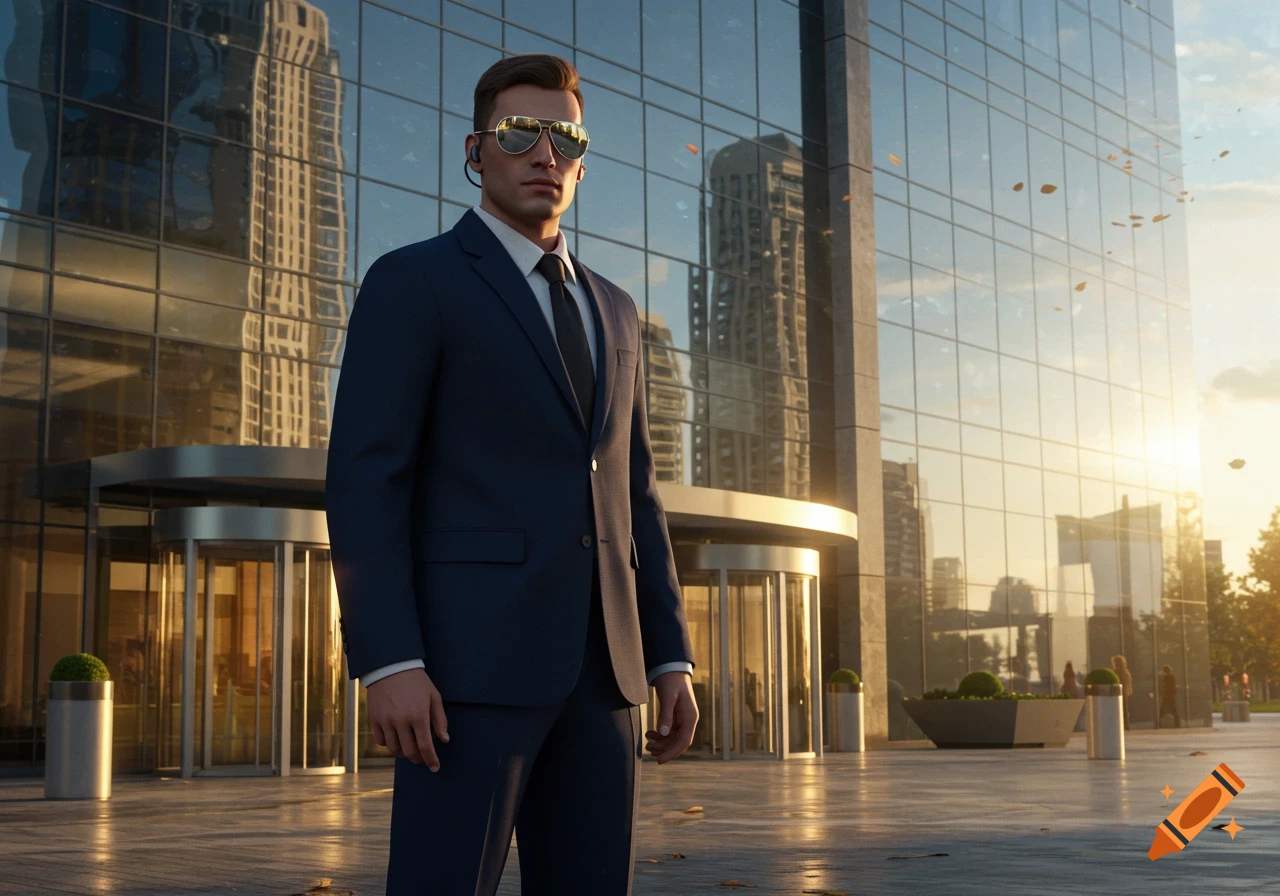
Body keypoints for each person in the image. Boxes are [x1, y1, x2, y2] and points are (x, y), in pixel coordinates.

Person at [325, 54, 699, 894]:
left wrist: (668, 652)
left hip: (606, 677)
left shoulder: (617, 309)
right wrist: (388, 661)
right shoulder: (414, 281)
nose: (544, 152)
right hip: (465, 676)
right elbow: (364, 480)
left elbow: (635, 493)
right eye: (519, 131)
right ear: (476, 150)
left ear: (580, 158)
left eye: (564, 135)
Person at [1112, 654, 1133, 730]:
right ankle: (1126, 725)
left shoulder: (1116, 672)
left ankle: (1122, 725)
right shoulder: (1125, 671)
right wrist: (1129, 690)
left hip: (1118, 692)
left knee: (1119, 709)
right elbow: (1128, 682)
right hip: (1124, 692)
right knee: (1124, 709)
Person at [1159, 664, 1181, 728]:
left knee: (1165, 708)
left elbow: (1167, 687)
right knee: (1172, 709)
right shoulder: (1171, 677)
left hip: (1168, 695)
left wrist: (1165, 693)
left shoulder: (1168, 677)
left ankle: (1159, 720)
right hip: (1170, 695)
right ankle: (1177, 721)